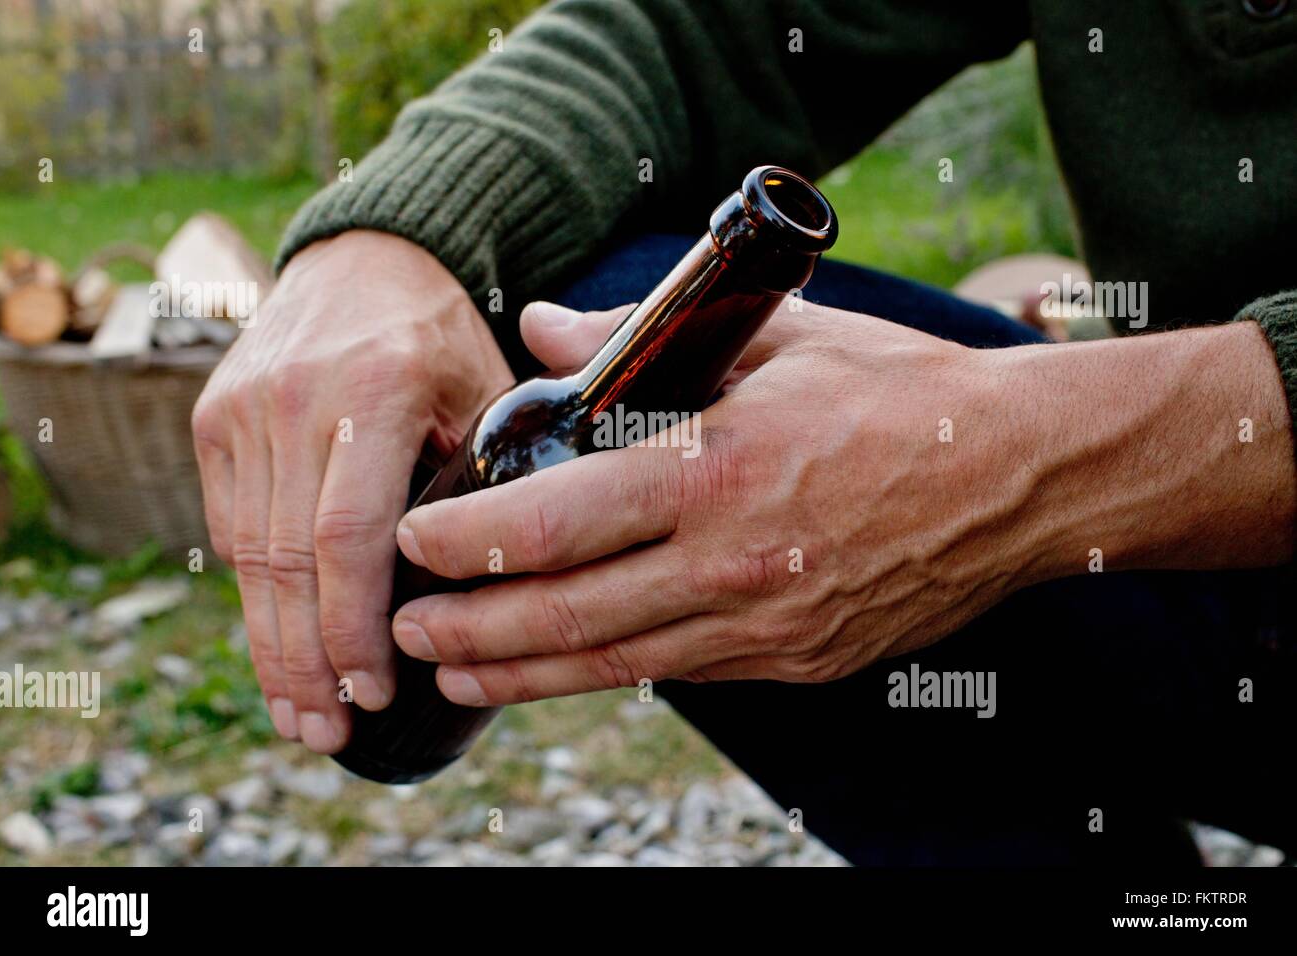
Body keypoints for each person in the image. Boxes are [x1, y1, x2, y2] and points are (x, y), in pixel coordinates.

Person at [191, 0, 1297, 865]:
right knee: (629, 345)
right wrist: (398, 233)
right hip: (1196, 595)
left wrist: (1027, 458)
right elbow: (713, 24)